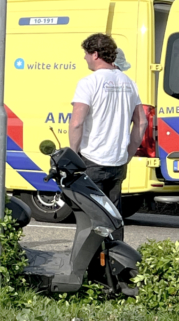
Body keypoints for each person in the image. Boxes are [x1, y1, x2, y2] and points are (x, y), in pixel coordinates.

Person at [69, 34, 147, 241]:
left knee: (91, 221)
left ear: (95, 54)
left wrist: (73, 154)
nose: (84, 58)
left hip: (92, 160)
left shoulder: (89, 83)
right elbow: (142, 122)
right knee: (114, 218)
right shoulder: (129, 83)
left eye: (86, 54)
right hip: (118, 161)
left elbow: (77, 122)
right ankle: (114, 263)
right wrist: (128, 154)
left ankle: (91, 267)